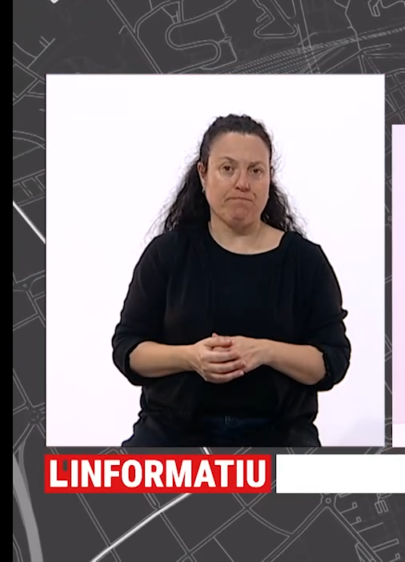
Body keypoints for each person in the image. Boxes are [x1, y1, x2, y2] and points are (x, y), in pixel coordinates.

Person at [111, 114, 352, 447]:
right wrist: (190, 357)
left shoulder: (305, 261)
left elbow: (332, 360)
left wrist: (265, 352)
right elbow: (128, 348)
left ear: (269, 177)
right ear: (203, 173)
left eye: (256, 171)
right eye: (228, 168)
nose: (243, 183)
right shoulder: (168, 253)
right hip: (172, 430)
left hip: (280, 433)